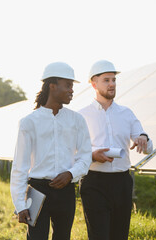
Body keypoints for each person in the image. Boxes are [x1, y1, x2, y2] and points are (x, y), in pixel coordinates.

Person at [10, 62, 92, 240]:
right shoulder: (28, 122)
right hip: (37, 191)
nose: (72, 90)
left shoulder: (77, 120)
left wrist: (70, 174)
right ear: (52, 86)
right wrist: (20, 204)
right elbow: (20, 166)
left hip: (66, 192)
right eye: (68, 85)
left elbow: (85, 157)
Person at [79, 60, 153, 240]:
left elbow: (148, 148)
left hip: (122, 182)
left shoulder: (126, 113)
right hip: (94, 182)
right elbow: (73, 151)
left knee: (120, 236)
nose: (112, 84)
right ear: (93, 83)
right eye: (106, 80)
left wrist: (143, 138)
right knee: (99, 236)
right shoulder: (81, 116)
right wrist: (93, 155)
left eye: (113, 80)